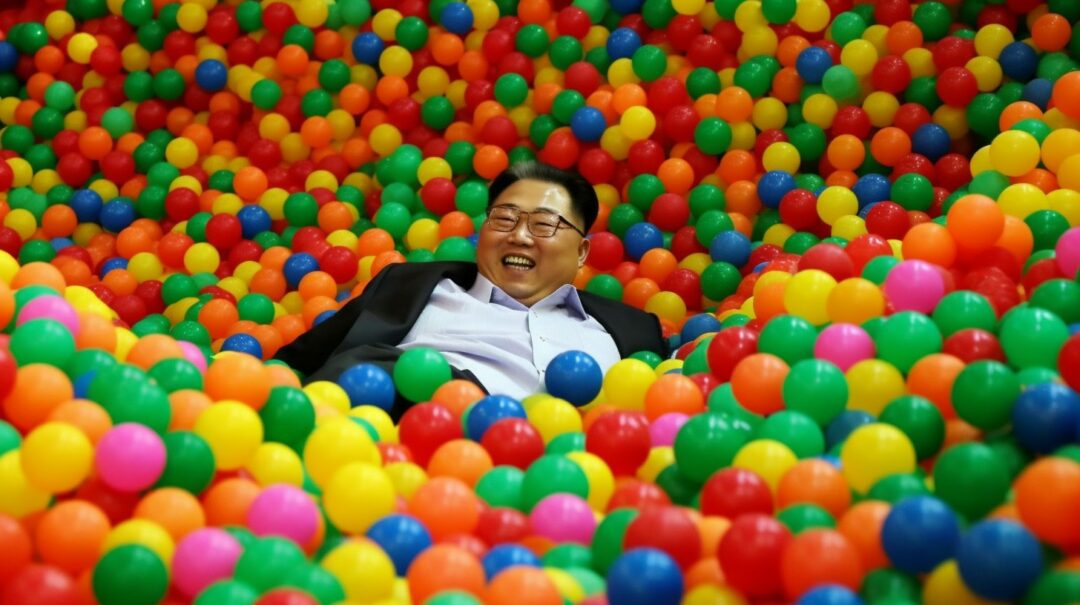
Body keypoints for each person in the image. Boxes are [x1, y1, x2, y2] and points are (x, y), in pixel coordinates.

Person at [274, 161, 669, 417]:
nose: (519, 236)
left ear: (582, 252)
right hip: (402, 429)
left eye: (544, 224)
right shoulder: (410, 287)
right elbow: (298, 365)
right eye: (504, 218)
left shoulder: (635, 333)